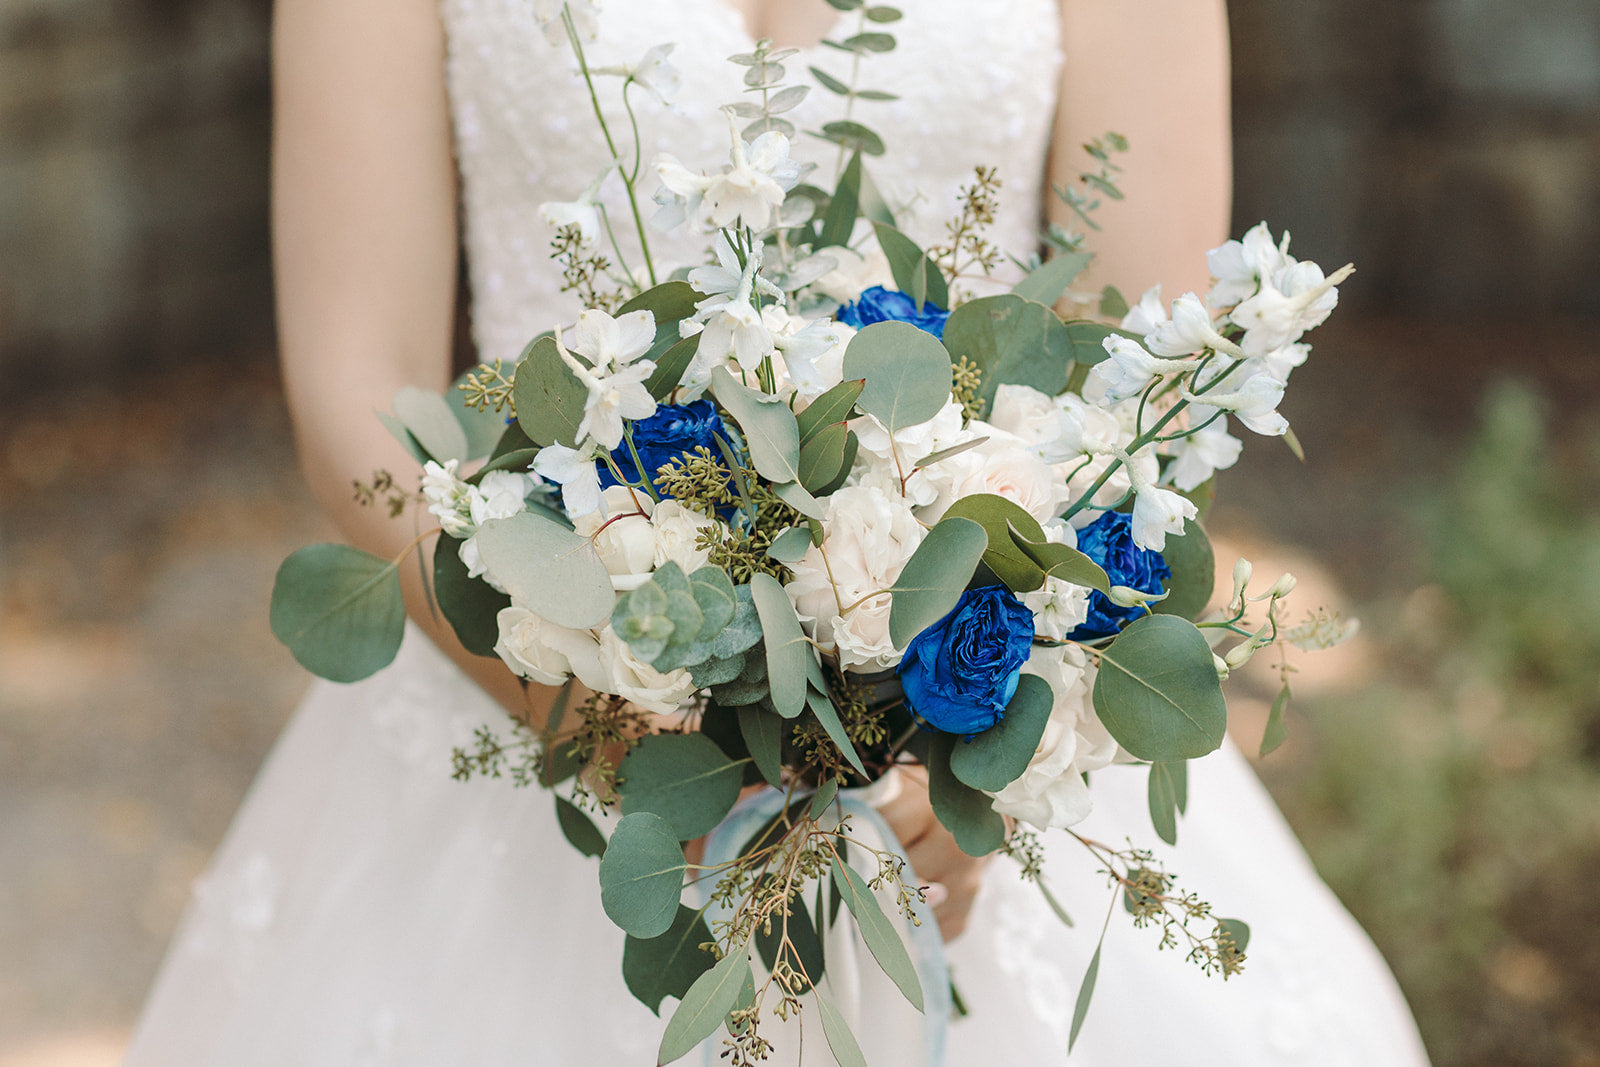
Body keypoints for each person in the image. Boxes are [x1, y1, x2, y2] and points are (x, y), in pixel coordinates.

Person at [123, 0, 1432, 1062]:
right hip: (515, 688)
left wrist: (955, 762)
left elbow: (1136, 401)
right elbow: (361, 392)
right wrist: (595, 719)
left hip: (983, 741)